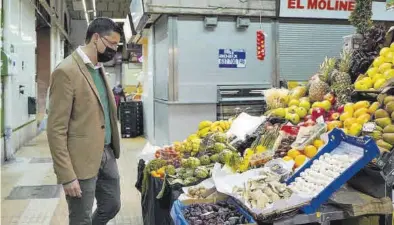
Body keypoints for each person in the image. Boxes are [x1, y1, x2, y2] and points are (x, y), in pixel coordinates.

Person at [47, 18, 123, 225]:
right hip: (81, 160)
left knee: (112, 205)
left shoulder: (98, 68)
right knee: (81, 218)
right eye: (112, 44)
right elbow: (56, 129)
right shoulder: (66, 71)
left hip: (106, 153)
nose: (114, 50)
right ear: (96, 38)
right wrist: (67, 175)